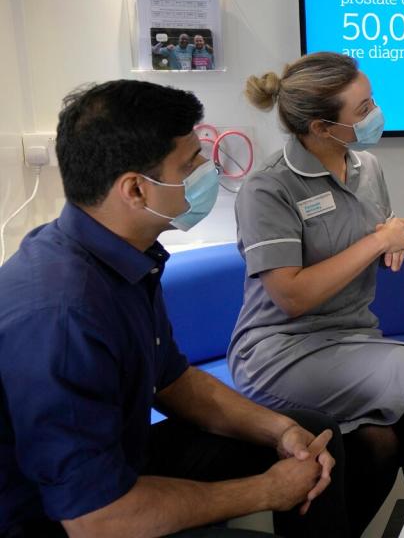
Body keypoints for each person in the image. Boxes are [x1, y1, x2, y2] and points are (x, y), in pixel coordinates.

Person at [0, 80, 350, 537]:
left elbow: (173, 381)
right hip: (62, 521)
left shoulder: (124, 255)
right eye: (191, 163)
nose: (207, 169)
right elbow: (96, 520)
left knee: (310, 435)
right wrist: (266, 490)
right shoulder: (63, 317)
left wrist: (278, 430)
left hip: (116, 466)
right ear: (135, 190)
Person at [231, 52, 404, 535]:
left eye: (372, 100)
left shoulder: (367, 167)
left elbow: (370, 241)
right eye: (363, 109)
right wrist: (378, 240)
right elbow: (289, 296)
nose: (375, 114)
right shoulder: (268, 188)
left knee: (381, 444)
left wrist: (396, 242)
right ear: (321, 127)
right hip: (280, 349)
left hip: (353, 339)